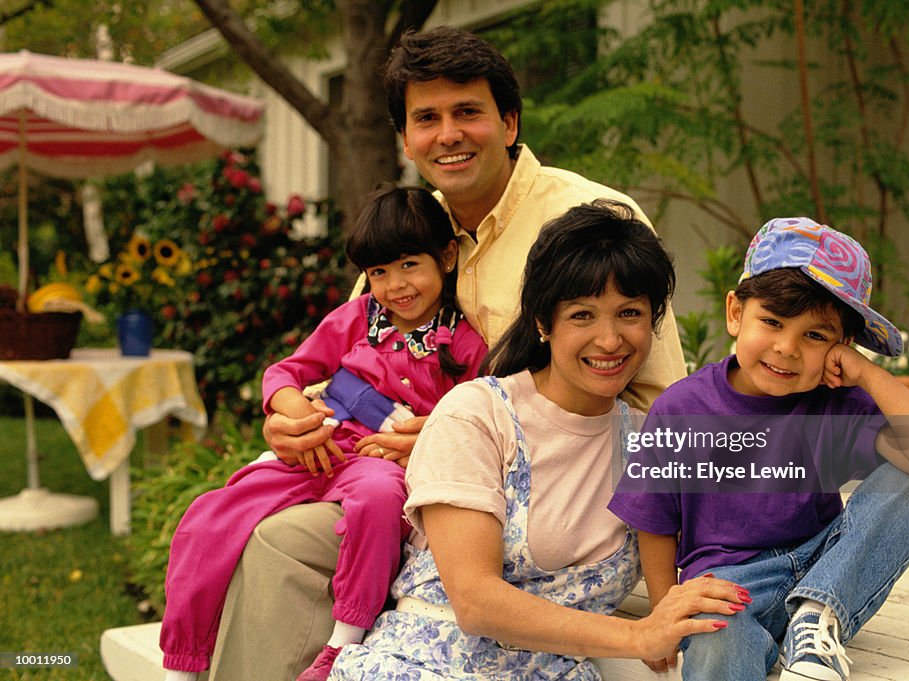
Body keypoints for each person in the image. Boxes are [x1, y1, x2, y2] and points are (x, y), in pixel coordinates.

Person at [207, 27, 687, 679]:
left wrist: (464, 433)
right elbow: (353, 356)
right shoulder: (409, 230)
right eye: (426, 119)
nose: (448, 134)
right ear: (406, 139)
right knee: (268, 535)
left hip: (538, 497)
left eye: (468, 112)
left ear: (509, 121)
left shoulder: (590, 221)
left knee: (288, 543)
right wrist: (294, 414)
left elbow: (654, 403)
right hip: (399, 483)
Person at [327, 200, 746, 679]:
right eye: (582, 316)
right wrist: (638, 635)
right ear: (543, 323)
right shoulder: (479, 415)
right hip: (426, 666)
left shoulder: (649, 444)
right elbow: (475, 602)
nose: (610, 340)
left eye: (629, 313)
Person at [159, 185, 487, 681]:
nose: (396, 285)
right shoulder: (357, 319)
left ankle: (342, 641)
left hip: (383, 461)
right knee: (208, 516)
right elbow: (285, 373)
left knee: (379, 498)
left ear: (445, 256)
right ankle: (182, 664)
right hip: (322, 447)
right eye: (378, 272)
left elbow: (476, 421)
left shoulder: (463, 343)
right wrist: (298, 414)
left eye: (408, 266)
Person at [608, 217, 909, 681]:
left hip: (823, 565)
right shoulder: (682, 407)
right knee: (716, 642)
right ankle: (782, 636)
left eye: (815, 335)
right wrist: (664, 613)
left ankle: (815, 617)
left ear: (840, 346)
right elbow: (654, 521)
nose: (787, 348)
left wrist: (867, 373)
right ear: (735, 313)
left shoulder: (836, 403)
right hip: (726, 586)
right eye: (771, 322)